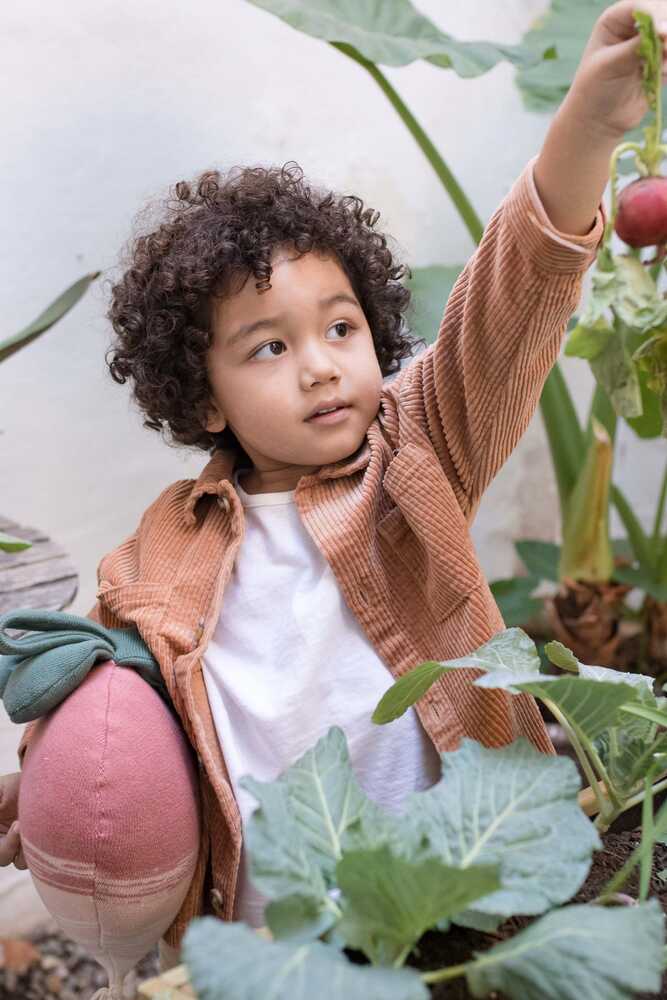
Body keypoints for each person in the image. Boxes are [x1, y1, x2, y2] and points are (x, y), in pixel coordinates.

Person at [1, 0, 664, 970]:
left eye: (340, 327)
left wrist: (590, 128)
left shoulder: (417, 448)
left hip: (462, 900)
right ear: (206, 394)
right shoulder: (165, 541)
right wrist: (50, 771)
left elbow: (512, 293)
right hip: (276, 932)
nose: (320, 365)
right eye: (269, 346)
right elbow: (127, 705)